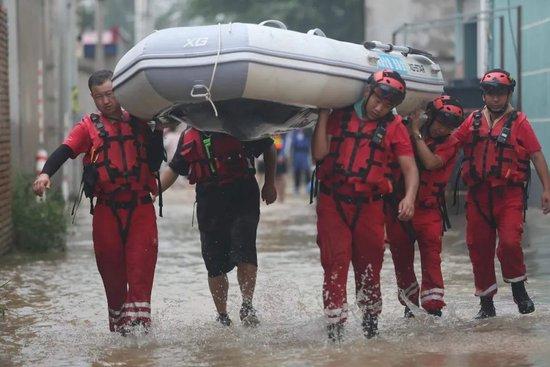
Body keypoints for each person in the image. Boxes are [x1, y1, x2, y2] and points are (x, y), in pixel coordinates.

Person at [32, 70, 165, 334]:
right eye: (99, 97)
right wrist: (45, 173)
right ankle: (120, 338)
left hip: (140, 207)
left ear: (120, 92)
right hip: (106, 210)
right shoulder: (88, 127)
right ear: (92, 98)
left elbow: (154, 161)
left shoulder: (141, 120)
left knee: (140, 273)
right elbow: (65, 151)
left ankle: (139, 341)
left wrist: (156, 130)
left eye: (110, 94)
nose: (106, 101)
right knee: (113, 278)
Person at [311, 69, 419, 341]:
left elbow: (410, 168)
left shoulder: (394, 127)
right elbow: (319, 154)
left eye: (387, 104)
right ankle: (335, 333)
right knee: (335, 264)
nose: (379, 108)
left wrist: (409, 197)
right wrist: (322, 115)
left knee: (370, 266)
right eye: (377, 100)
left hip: (370, 206)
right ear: (368, 92)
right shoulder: (339, 115)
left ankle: (370, 327)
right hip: (333, 201)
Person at [452, 69, 550, 318]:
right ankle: (486, 304)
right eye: (491, 93)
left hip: (509, 195)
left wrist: (547, 189)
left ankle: (518, 288)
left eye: (501, 93)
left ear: (508, 94)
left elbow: (537, 155)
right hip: (478, 196)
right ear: (484, 95)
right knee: (478, 247)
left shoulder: (520, 122)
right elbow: (450, 144)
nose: (496, 98)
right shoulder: (472, 120)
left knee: (509, 242)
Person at [159, 127, 277, 326]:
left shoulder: (239, 121)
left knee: (245, 250)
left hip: (242, 193)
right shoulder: (189, 133)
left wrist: (270, 183)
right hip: (209, 199)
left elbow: (269, 147)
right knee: (213, 263)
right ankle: (222, 316)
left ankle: (247, 305)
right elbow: (174, 168)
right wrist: (154, 192)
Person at [386, 95, 463, 318]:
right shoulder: (404, 130)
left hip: (429, 211)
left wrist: (416, 133)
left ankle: (433, 309)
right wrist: (410, 126)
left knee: (432, 259)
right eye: (441, 123)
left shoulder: (450, 143)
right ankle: (410, 307)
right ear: (432, 117)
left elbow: (431, 163)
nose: (442, 129)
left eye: (449, 126)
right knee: (401, 260)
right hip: (399, 208)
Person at [290, 129, 312, 195]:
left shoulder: (307, 136)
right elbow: (293, 145)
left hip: (304, 155)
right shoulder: (294, 135)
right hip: (297, 155)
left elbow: (308, 145)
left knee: (307, 172)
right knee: (297, 172)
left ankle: (308, 187)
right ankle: (296, 187)